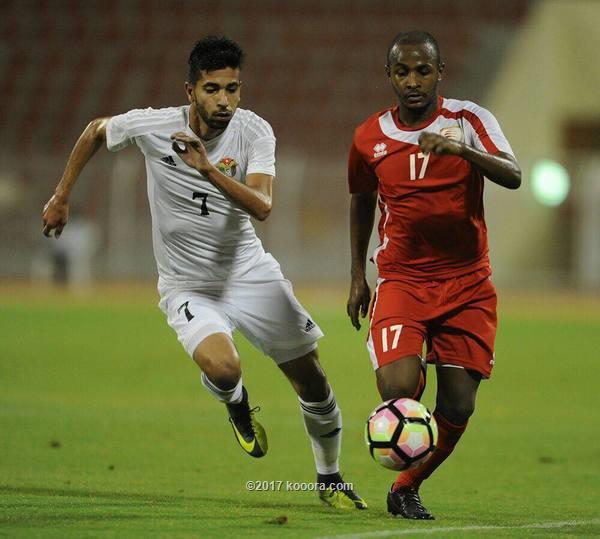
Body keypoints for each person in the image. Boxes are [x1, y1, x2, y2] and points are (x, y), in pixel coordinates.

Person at [42, 35, 365, 510]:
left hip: (249, 273)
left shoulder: (254, 132)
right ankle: (237, 405)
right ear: (190, 90)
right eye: (212, 89)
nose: (224, 101)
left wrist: (208, 169)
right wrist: (61, 196)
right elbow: (95, 130)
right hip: (187, 284)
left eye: (233, 88)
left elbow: (264, 205)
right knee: (224, 367)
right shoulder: (154, 125)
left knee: (312, 379)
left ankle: (330, 478)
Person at [346, 31, 521, 520]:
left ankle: (406, 486)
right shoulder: (368, 137)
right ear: (388, 75)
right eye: (402, 71)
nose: (412, 81)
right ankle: (408, 385)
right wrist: (358, 275)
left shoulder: (469, 119)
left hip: (467, 283)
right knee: (398, 389)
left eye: (423, 70)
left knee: (459, 405)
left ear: (439, 72)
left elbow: (512, 174)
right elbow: (361, 202)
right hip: (402, 280)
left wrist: (462, 152)